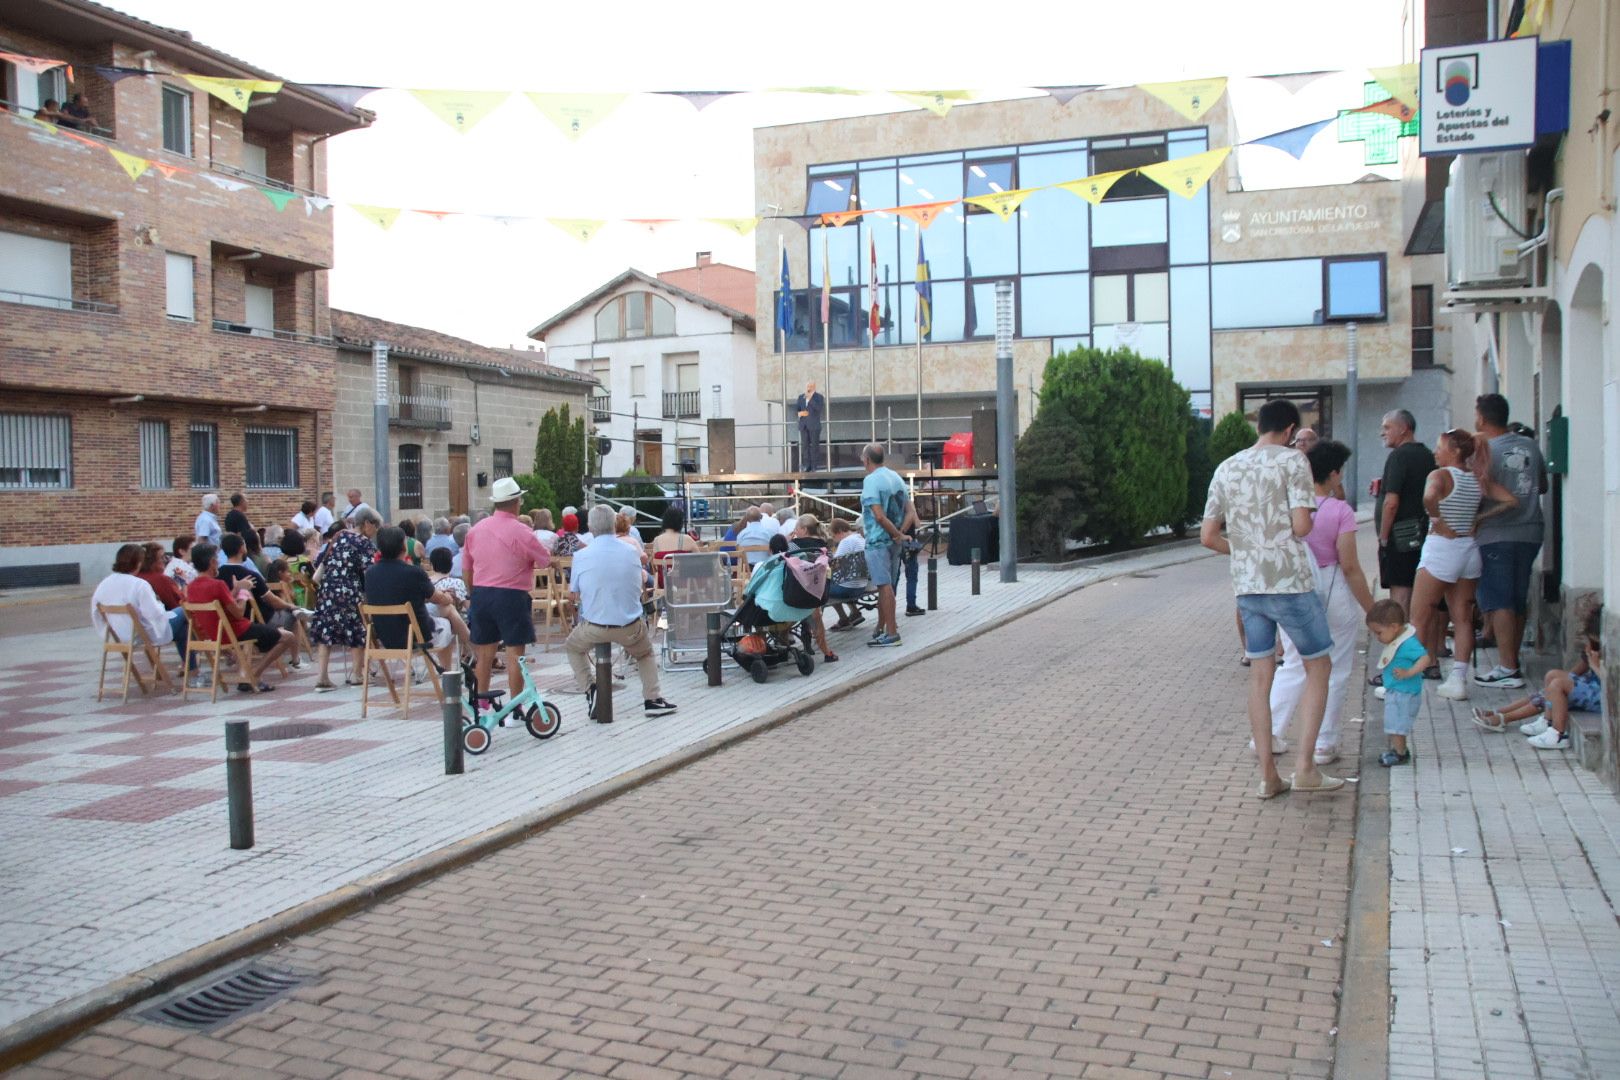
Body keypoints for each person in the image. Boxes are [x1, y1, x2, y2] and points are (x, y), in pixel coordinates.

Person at [1202, 398, 1342, 798]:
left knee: (1261, 674)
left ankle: (1268, 774)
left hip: (1247, 586)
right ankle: (1304, 768)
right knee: (1319, 665)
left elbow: (1208, 537)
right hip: (1289, 582)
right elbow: (1301, 525)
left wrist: (1246, 550)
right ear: (1289, 430)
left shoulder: (1226, 467)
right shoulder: (1293, 461)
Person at [1261, 441, 1375, 766]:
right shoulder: (1341, 511)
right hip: (1333, 588)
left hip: (1294, 588)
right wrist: (1371, 609)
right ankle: (1324, 743)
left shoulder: (1287, 506)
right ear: (1335, 472)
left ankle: (1269, 733)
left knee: (1294, 664)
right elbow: (1350, 566)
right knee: (1335, 668)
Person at [1410, 428, 1517, 700]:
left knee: (1419, 616)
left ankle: (1404, 681)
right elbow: (1510, 500)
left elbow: (1429, 497)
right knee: (1463, 619)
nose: (1436, 451)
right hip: (1469, 550)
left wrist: (1437, 520)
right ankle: (1458, 680)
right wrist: (1480, 519)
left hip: (1441, 548)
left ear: (1455, 450)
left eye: (1440, 446)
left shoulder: (1440, 475)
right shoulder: (1477, 479)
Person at [565, 504, 676, 719]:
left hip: (594, 626)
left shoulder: (581, 555)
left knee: (572, 647)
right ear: (614, 525)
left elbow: (574, 595)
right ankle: (652, 698)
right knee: (644, 654)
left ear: (590, 526)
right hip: (629, 626)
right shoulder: (631, 551)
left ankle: (591, 688)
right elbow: (640, 582)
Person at [1471, 393, 1548, 690]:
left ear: (1481, 417)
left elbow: (1478, 491)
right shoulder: (1529, 444)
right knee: (1517, 596)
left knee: (1500, 599)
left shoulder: (1485, 450)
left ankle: (1507, 668)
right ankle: (1512, 660)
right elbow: (1541, 484)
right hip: (1531, 531)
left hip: (1496, 532)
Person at [463, 476, 551, 703]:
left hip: (482, 593)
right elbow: (544, 560)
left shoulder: (475, 530)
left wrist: (473, 594)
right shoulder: (521, 531)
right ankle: (516, 706)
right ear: (517, 501)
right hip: (511, 595)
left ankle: (480, 704)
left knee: (484, 654)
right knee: (515, 654)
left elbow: (467, 569)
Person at [1472, 606, 1603, 750]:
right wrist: (1567, 683)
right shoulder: (1595, 646)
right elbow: (1577, 671)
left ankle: (1557, 734)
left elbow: (1610, 684)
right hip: (1593, 688)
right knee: (1552, 677)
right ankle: (1544, 719)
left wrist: (1595, 666)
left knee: (1556, 686)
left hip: (1603, 695)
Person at [186, 541, 293, 692]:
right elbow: (238, 613)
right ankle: (254, 674)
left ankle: (246, 676)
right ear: (212, 562)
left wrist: (235, 589)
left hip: (213, 633)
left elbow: (219, 603)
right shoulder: (217, 584)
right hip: (234, 630)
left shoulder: (191, 587)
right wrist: (243, 592)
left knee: (250, 638)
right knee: (288, 637)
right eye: (216, 559)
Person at [364, 526, 455, 673]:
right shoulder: (413, 572)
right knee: (446, 623)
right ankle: (448, 672)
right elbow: (438, 598)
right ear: (403, 545)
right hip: (415, 636)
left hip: (385, 636)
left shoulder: (370, 573)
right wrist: (448, 597)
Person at [310, 506, 381, 691]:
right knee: (357, 629)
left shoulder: (339, 536)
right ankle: (357, 675)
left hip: (328, 589)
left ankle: (322, 677)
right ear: (367, 524)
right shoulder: (364, 543)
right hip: (350, 590)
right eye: (375, 526)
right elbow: (369, 572)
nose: (376, 531)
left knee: (326, 632)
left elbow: (322, 562)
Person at [1375, 410, 1437, 619]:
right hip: (1424, 534)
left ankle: (1400, 645)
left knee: (1400, 597)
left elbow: (1391, 502)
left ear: (1403, 429)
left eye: (1387, 427)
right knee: (1420, 597)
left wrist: (1384, 538)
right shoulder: (1428, 455)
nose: (1382, 433)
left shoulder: (1399, 456)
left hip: (1400, 537)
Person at [90, 544, 186, 675]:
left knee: (181, 627)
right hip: (140, 634)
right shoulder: (139, 584)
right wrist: (160, 604)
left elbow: (96, 613)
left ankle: (188, 667)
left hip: (116, 635)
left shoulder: (104, 583)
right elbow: (154, 614)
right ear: (139, 563)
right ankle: (191, 668)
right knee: (183, 611)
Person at [859, 442, 915, 649]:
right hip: (894, 542)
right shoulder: (896, 478)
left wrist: (896, 534)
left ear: (866, 460)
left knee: (884, 586)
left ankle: (892, 633)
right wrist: (900, 534)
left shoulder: (871, 481)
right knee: (889, 586)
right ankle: (884, 628)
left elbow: (879, 516)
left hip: (878, 541)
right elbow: (911, 512)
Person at [1367, 599, 1431, 767]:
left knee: (1397, 723)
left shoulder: (1408, 643)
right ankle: (1398, 749)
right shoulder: (1398, 639)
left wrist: (1409, 672)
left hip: (1405, 692)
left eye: (1379, 632)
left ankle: (1401, 753)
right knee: (1393, 721)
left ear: (1394, 627)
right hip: (1396, 689)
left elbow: (1425, 658)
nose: (1377, 637)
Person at [789, 514, 839, 663]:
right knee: (817, 617)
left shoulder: (794, 544)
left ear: (804, 529)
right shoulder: (823, 544)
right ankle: (826, 652)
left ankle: (786, 643)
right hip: (819, 591)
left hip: (798, 590)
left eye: (796, 528)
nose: (795, 531)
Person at [426, 546, 473, 664]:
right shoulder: (457, 582)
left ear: (431, 564)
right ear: (451, 564)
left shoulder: (426, 581)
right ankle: (472, 652)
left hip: (430, 622)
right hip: (452, 623)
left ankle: (468, 655)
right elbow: (468, 607)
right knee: (469, 619)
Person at [826, 518, 868, 631]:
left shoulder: (846, 541)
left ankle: (843, 619)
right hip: (862, 586)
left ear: (840, 531)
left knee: (822, 588)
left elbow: (834, 565)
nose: (834, 540)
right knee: (844, 580)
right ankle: (854, 612)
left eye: (834, 536)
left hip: (848, 589)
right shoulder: (860, 539)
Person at [795, 380, 826, 472]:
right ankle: (807, 465)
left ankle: (814, 466)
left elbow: (818, 408)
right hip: (803, 425)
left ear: (814, 387)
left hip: (814, 426)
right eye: (808, 386)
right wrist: (800, 413)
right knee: (805, 446)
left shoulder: (819, 397)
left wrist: (810, 399)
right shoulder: (801, 397)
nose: (809, 387)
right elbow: (797, 410)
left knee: (815, 447)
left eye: (811, 386)